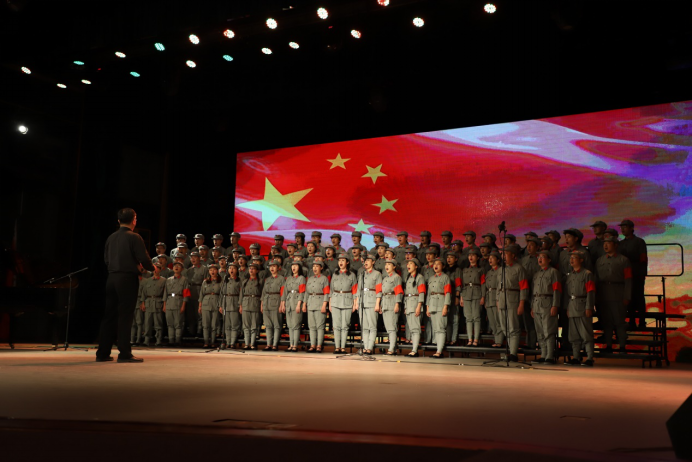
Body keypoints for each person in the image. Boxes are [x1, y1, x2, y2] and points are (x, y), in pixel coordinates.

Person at [97, 208, 155, 363]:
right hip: (127, 279)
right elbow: (143, 257)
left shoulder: (111, 237)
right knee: (125, 316)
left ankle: (102, 353)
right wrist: (152, 268)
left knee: (109, 316)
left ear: (118, 221)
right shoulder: (134, 237)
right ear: (134, 220)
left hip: (111, 278)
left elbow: (106, 259)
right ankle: (124, 353)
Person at [595, 236, 632, 352]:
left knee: (619, 322)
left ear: (615, 245)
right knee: (607, 322)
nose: (605, 245)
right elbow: (596, 279)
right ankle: (609, 345)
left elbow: (628, 280)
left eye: (608, 243)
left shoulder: (624, 260)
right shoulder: (600, 260)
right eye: (604, 243)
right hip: (603, 294)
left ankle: (622, 346)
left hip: (618, 294)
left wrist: (627, 296)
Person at [496, 245, 529, 362]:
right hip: (502, 299)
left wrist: (521, 303)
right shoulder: (501, 270)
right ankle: (510, 351)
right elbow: (497, 287)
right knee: (504, 327)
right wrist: (497, 300)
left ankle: (513, 353)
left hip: (513, 299)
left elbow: (524, 287)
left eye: (506, 254)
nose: (503, 256)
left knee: (513, 327)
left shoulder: (519, 269)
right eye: (502, 254)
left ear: (513, 255)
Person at [564, 250, 596, 366]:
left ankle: (590, 357)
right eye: (571, 258)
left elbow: (590, 292)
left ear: (581, 260)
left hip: (582, 305)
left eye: (574, 258)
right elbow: (568, 294)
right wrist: (568, 308)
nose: (571, 260)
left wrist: (589, 307)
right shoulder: (570, 275)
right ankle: (576, 357)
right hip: (573, 305)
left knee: (586, 333)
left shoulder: (587, 274)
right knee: (573, 335)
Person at [530, 250, 561, 365]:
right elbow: (533, 292)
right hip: (537, 304)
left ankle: (550, 355)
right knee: (540, 331)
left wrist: (555, 305)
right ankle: (543, 354)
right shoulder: (536, 274)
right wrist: (532, 306)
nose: (540, 259)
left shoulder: (553, 272)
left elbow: (557, 290)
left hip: (548, 303)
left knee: (549, 330)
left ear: (549, 259)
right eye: (538, 257)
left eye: (543, 257)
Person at [617, 219, 647, 329]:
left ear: (631, 228)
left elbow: (643, 258)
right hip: (626, 274)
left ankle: (642, 321)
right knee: (628, 297)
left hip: (637, 273)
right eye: (621, 227)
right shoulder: (621, 244)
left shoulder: (639, 242)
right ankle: (632, 320)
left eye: (625, 227)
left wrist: (642, 273)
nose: (622, 229)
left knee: (639, 297)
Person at [329, 253, 358, 354]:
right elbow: (331, 290)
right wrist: (330, 303)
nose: (340, 262)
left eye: (343, 260)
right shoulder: (335, 274)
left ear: (347, 262)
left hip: (347, 301)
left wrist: (355, 303)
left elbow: (355, 291)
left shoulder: (352, 275)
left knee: (345, 325)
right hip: (335, 300)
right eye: (339, 260)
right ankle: (337, 347)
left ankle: (343, 347)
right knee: (336, 325)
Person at [357, 254, 383, 355]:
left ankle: (370, 347)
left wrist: (377, 304)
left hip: (372, 301)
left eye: (368, 260)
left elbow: (379, 290)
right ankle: (365, 347)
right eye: (365, 260)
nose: (366, 262)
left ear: (373, 262)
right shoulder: (362, 274)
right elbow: (358, 290)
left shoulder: (377, 274)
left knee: (372, 326)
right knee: (364, 327)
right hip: (362, 302)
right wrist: (357, 302)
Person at [426, 258, 452, 358]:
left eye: (438, 264)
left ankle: (439, 351)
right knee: (436, 328)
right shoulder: (431, 278)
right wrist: (427, 307)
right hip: (432, 304)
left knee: (441, 328)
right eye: (434, 264)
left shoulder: (445, 277)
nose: (435, 266)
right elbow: (429, 294)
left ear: (443, 266)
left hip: (441, 303)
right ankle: (438, 349)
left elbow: (448, 292)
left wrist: (446, 306)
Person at [461, 248, 485, 347]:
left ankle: (476, 339)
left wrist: (483, 296)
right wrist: (461, 297)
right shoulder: (465, 270)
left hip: (476, 293)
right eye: (469, 255)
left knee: (476, 317)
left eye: (473, 255)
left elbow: (483, 283)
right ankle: (470, 339)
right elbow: (463, 284)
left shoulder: (480, 269)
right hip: (466, 294)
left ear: (477, 257)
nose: (470, 257)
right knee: (468, 318)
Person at [281, 261, 306, 352]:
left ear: (299, 267)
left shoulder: (301, 278)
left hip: (296, 302)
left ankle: (295, 345)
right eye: (292, 266)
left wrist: (299, 304)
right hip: (289, 302)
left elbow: (302, 292)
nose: (293, 267)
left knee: (296, 325)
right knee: (290, 325)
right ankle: (291, 345)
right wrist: (283, 304)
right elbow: (284, 292)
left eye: (295, 265)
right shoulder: (288, 279)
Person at [163, 261, 189, 347]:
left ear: (182, 269)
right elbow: (165, 293)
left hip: (179, 302)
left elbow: (186, 293)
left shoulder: (184, 279)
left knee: (178, 323)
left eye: (178, 266)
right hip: (169, 302)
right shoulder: (168, 280)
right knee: (170, 323)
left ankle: (178, 340)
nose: (176, 267)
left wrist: (183, 305)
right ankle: (171, 340)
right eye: (175, 266)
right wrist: (164, 305)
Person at [305, 261, 330, 353]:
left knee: (320, 326)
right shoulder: (310, 279)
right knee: (312, 326)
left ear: (321, 268)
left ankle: (319, 345)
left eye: (317, 266)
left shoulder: (324, 279)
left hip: (320, 303)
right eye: (314, 266)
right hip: (310, 303)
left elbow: (326, 293)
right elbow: (306, 293)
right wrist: (304, 303)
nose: (315, 268)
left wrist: (324, 304)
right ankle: (312, 345)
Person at [140, 262, 167, 347]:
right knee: (147, 323)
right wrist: (143, 303)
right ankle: (146, 340)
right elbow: (144, 293)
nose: (155, 270)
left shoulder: (164, 280)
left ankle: (158, 340)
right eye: (154, 268)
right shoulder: (148, 280)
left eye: (157, 268)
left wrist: (164, 304)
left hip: (158, 302)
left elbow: (165, 293)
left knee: (158, 323)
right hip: (148, 303)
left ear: (160, 270)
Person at [380, 259, 404, 355]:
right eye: (386, 264)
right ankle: (393, 347)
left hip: (392, 302)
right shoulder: (385, 278)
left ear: (394, 266)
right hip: (385, 303)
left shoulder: (396, 277)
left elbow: (399, 292)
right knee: (388, 327)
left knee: (392, 327)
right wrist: (381, 305)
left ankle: (392, 349)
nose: (387, 266)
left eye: (389, 264)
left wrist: (397, 303)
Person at [403, 258, 426, 357]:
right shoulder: (408, 278)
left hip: (415, 304)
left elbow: (421, 292)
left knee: (415, 328)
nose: (408, 265)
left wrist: (419, 306)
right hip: (409, 305)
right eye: (408, 263)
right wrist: (405, 306)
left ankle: (415, 350)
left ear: (416, 266)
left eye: (411, 263)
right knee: (411, 328)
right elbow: (406, 294)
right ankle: (413, 349)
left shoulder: (420, 277)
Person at [261, 260, 285, 351]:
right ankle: (269, 344)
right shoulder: (267, 279)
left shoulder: (281, 279)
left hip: (276, 301)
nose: (272, 268)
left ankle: (275, 344)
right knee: (268, 325)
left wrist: (282, 304)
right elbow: (263, 292)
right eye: (270, 266)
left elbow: (283, 292)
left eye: (274, 266)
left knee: (276, 324)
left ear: (278, 268)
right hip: (266, 302)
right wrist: (262, 304)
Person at [483, 250, 504, 348]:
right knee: (492, 322)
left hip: (497, 297)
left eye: (492, 258)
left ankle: (499, 341)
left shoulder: (501, 270)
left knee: (498, 321)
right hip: (489, 298)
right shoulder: (488, 272)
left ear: (498, 260)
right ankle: (496, 340)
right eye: (489, 258)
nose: (490, 260)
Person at [239, 263, 263, 350]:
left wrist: (261, 304)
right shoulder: (245, 281)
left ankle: (252, 344)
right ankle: (246, 343)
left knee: (254, 325)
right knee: (246, 325)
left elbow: (262, 294)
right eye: (250, 268)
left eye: (253, 268)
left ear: (257, 271)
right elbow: (241, 294)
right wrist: (240, 305)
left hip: (255, 303)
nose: (251, 270)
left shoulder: (260, 281)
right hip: (246, 303)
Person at [199, 264, 223, 348]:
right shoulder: (205, 281)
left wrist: (221, 305)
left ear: (217, 271)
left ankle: (212, 342)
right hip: (206, 303)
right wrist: (200, 306)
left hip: (216, 303)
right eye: (210, 270)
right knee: (205, 324)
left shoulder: (221, 281)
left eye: (214, 269)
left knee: (214, 324)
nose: (212, 271)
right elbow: (201, 294)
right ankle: (206, 342)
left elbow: (222, 294)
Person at [220, 262, 243, 349]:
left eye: (233, 268)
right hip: (226, 303)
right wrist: (220, 305)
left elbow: (241, 294)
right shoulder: (225, 280)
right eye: (230, 268)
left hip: (234, 302)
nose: (231, 270)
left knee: (234, 324)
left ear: (237, 270)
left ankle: (233, 342)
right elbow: (221, 294)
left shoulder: (239, 280)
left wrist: (240, 304)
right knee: (227, 325)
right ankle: (228, 342)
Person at [185, 251, 206, 338]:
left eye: (195, 257)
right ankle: (191, 331)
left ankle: (199, 331)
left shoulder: (204, 268)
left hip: (199, 290)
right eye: (191, 257)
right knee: (190, 313)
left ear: (199, 258)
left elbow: (206, 282)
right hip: (190, 290)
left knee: (199, 313)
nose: (193, 259)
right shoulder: (189, 270)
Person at [444, 251, 462, 345]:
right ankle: (448, 338)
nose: (449, 259)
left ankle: (454, 339)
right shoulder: (445, 270)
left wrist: (457, 296)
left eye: (451, 257)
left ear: (455, 259)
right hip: (447, 295)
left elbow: (458, 283)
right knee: (447, 318)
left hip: (454, 294)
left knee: (454, 318)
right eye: (448, 257)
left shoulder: (457, 270)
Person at [130, 276, 145, 346]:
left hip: (139, 302)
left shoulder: (144, 281)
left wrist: (142, 303)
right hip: (132, 302)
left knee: (139, 323)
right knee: (132, 324)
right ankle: (132, 340)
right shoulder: (131, 279)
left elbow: (144, 293)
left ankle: (138, 340)